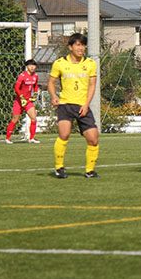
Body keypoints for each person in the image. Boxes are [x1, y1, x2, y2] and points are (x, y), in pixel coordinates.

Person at [48, 33, 99, 179]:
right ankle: (59, 168)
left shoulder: (90, 63)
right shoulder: (59, 63)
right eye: (77, 45)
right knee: (64, 135)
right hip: (65, 105)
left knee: (93, 138)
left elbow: (92, 85)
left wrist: (87, 104)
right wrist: (53, 96)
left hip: (83, 106)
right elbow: (51, 82)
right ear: (70, 47)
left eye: (83, 45)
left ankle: (90, 171)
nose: (81, 48)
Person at [5, 59, 40, 144]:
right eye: (30, 65)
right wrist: (21, 97)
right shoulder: (22, 76)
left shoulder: (35, 76)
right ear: (27, 66)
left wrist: (35, 94)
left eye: (34, 65)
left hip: (28, 101)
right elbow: (16, 87)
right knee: (15, 119)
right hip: (19, 101)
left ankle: (31, 138)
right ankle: (8, 138)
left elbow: (35, 86)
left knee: (34, 118)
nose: (32, 67)